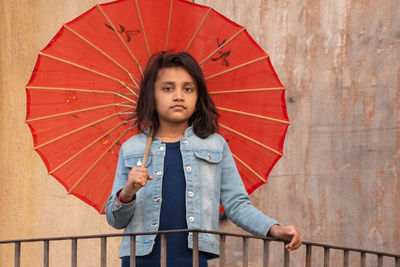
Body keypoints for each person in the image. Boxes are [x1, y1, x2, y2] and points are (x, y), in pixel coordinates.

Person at [106, 51, 301, 267]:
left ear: (198, 97)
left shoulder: (215, 145)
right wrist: (128, 192)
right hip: (139, 259)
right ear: (152, 96)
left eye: (188, 88)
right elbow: (115, 220)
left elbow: (236, 204)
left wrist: (274, 228)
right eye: (168, 88)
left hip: (192, 258)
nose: (179, 95)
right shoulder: (132, 148)